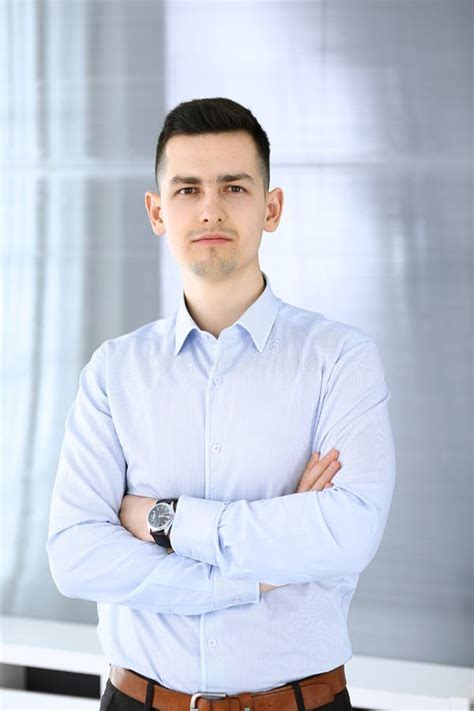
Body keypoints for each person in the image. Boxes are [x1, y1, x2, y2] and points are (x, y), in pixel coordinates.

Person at [47, 97, 396, 711]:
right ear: (157, 212)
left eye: (234, 186)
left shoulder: (340, 359)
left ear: (272, 207)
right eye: (186, 190)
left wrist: (163, 520)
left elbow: (349, 531)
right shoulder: (113, 371)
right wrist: (253, 571)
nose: (210, 208)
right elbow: (75, 556)